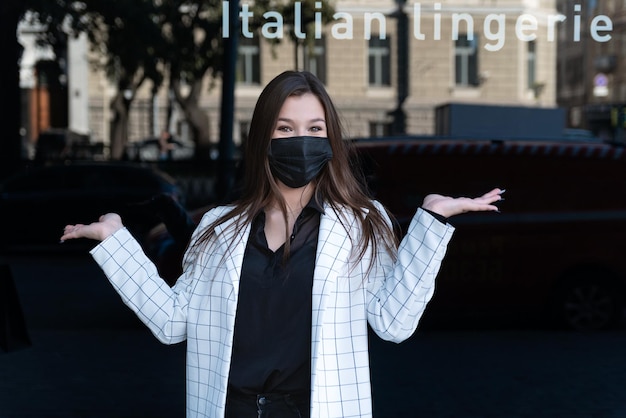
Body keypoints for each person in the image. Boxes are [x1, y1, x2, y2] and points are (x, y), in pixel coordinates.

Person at [60, 70, 503, 418]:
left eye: (314, 128)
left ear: (330, 138)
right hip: (228, 410)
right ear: (263, 138)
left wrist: (432, 221)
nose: (301, 140)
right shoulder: (219, 227)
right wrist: (115, 241)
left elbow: (393, 323)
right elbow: (173, 323)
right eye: (285, 128)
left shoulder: (362, 223)